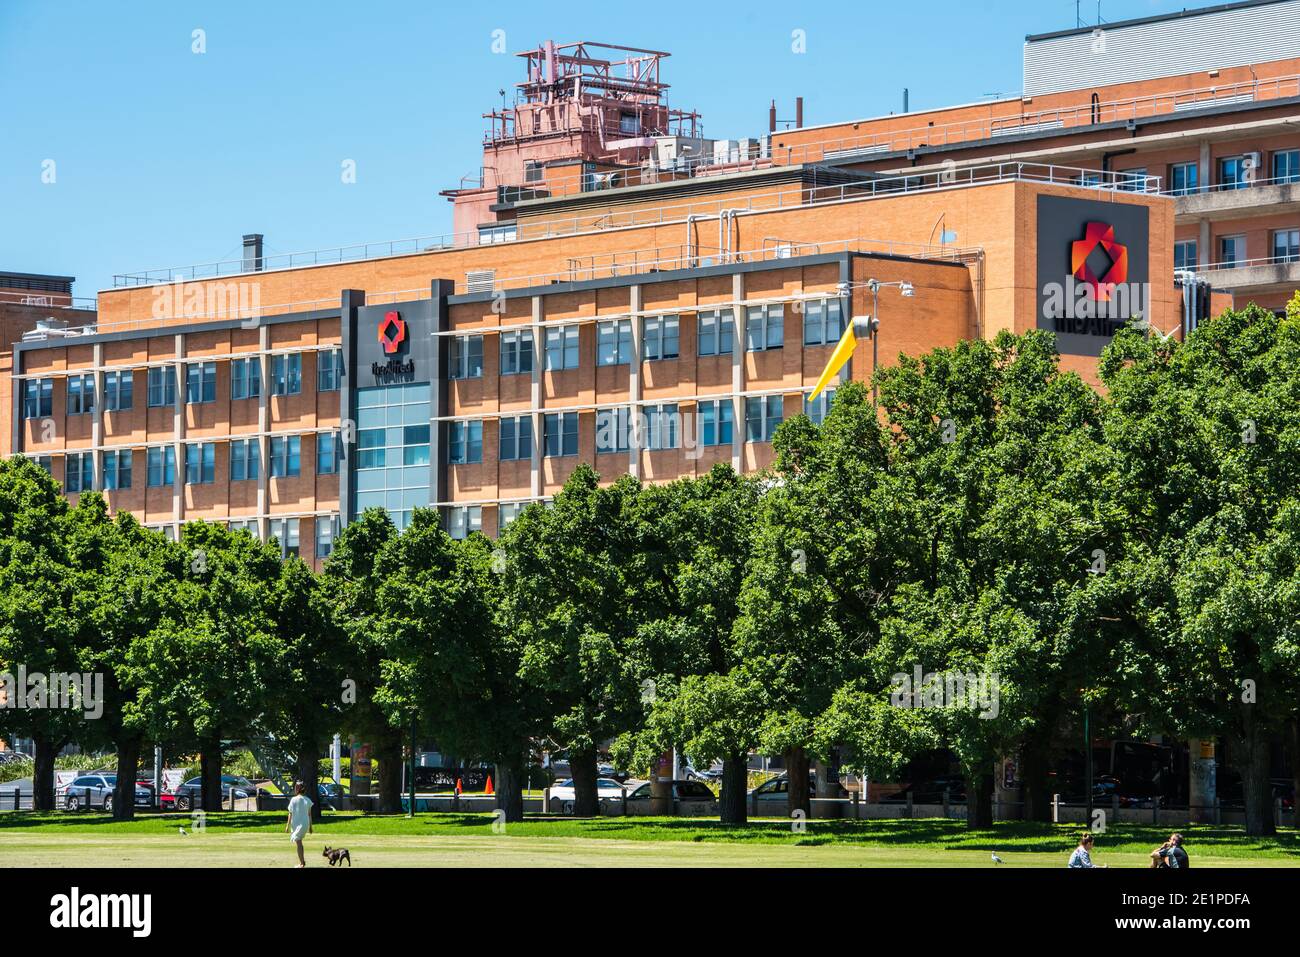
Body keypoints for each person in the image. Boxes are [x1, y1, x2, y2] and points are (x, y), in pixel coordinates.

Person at [285, 783, 314, 868]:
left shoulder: (293, 800)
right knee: (299, 842)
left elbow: (290, 814)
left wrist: (287, 826)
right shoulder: (307, 800)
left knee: (298, 842)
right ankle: (302, 862)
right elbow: (310, 815)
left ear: (297, 789)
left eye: (295, 787)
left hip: (299, 824)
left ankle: (302, 863)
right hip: (303, 823)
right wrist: (310, 826)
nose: (294, 789)